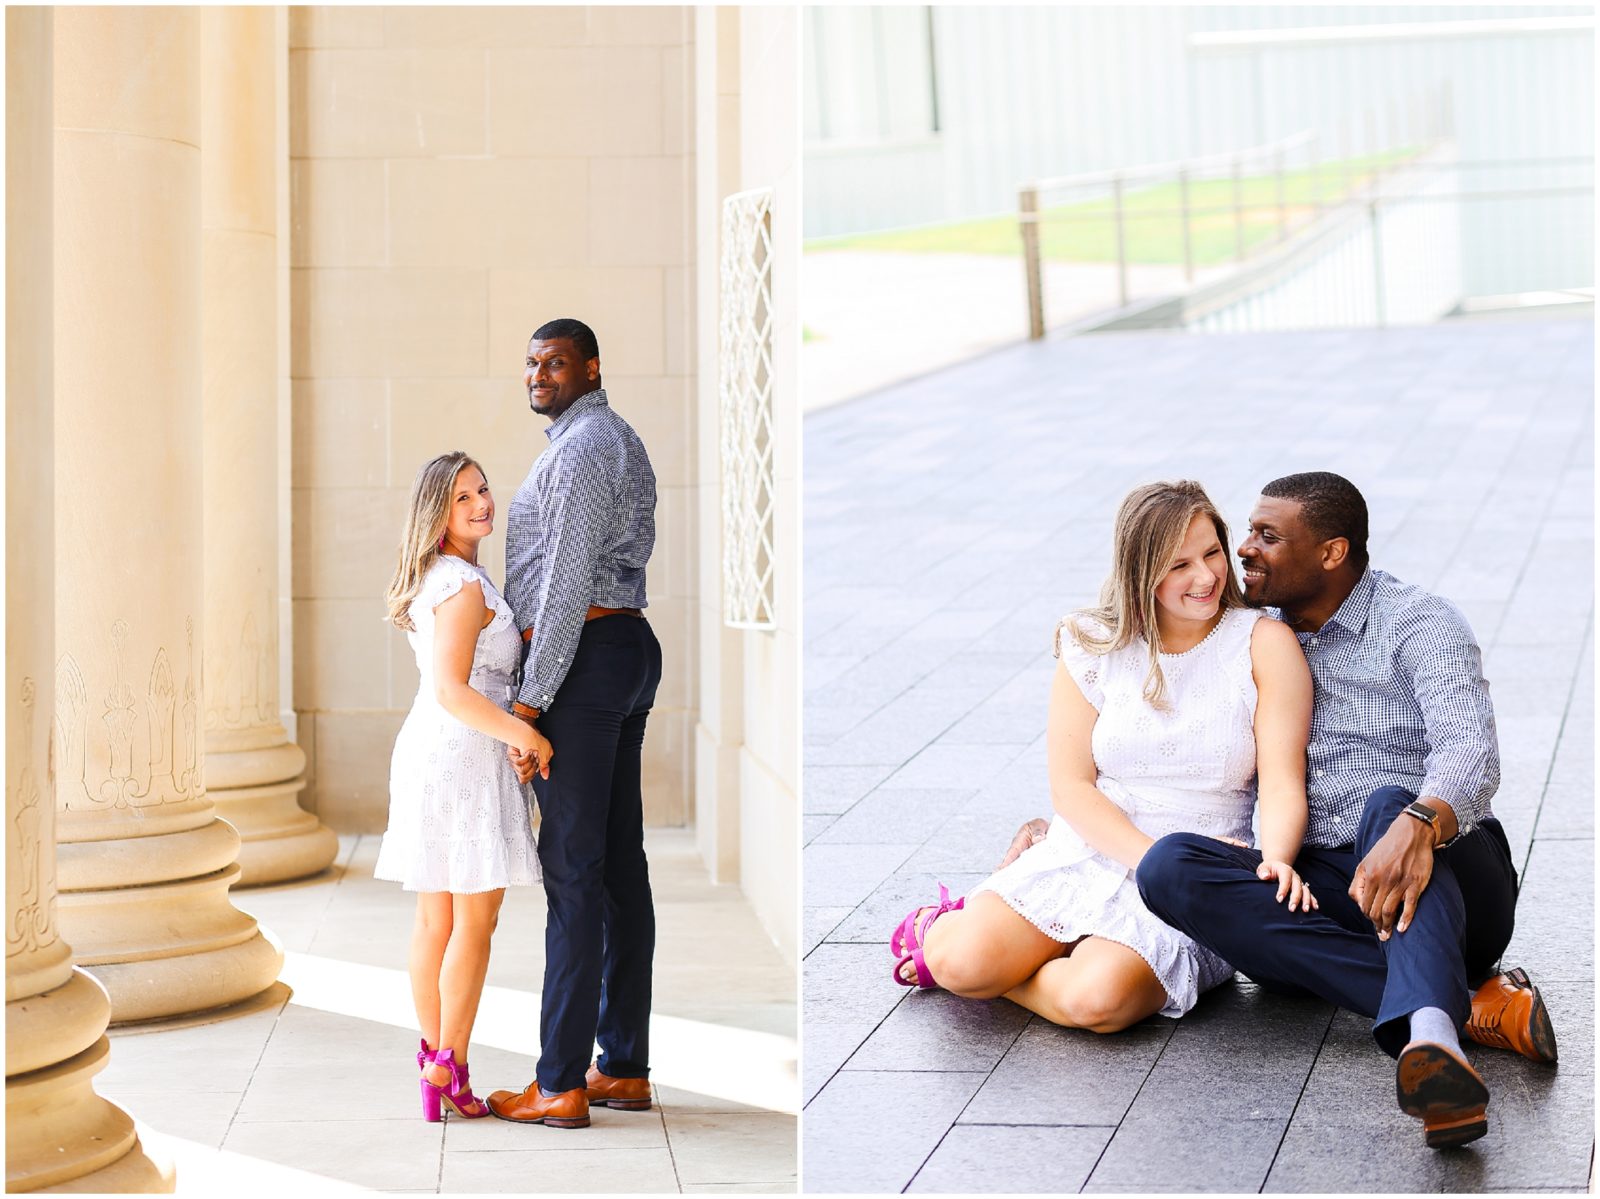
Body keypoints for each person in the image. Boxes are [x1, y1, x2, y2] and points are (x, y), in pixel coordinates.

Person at [1008, 472, 1555, 1149]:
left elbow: (1472, 753)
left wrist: (1419, 822)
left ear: (1331, 552)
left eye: (1268, 536)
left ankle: (1436, 1040)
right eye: (1248, 532)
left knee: (1387, 802)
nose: (1243, 550)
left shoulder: (1421, 621)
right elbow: (1162, 742)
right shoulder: (1249, 637)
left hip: (1451, 873)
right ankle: (1467, 1006)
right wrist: (1053, 826)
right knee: (1171, 865)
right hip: (1323, 882)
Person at [890, 481, 1318, 1033]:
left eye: (1212, 552)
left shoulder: (1262, 642)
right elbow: (1072, 787)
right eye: (1180, 564)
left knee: (1097, 1002)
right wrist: (1149, 861)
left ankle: (1014, 968)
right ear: (1140, 571)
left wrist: (1274, 860)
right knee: (960, 963)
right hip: (1090, 848)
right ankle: (943, 934)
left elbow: (1284, 783)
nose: (1207, 576)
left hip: (1196, 874)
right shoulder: (1091, 643)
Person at [487, 318, 662, 1130]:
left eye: (554, 361)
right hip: (614, 649)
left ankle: (559, 1080)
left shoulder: (587, 446)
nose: (538, 372)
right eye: (530, 362)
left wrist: (528, 702)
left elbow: (561, 584)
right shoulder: (594, 439)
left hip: (587, 657)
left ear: (591, 367)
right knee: (617, 867)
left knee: (574, 873)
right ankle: (621, 1065)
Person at [375, 451, 549, 1122]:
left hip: (435, 747)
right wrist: (523, 735)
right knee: (472, 919)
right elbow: (452, 688)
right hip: (463, 752)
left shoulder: (444, 575)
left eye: (482, 489)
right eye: (462, 498)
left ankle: (436, 1063)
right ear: (437, 513)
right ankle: (450, 1061)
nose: (481, 503)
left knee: (436, 918)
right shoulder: (463, 585)